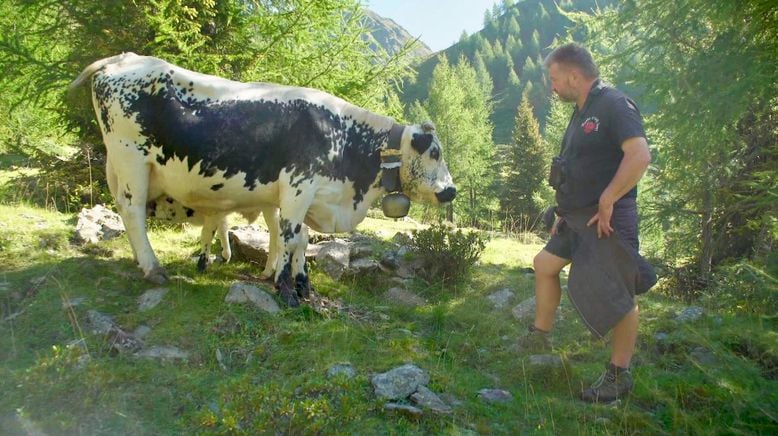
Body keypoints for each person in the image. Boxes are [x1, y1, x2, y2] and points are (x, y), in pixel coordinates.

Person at [519, 43, 652, 403]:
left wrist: (609, 198)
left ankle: (618, 375)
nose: (552, 86)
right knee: (544, 265)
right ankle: (539, 332)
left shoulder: (613, 104)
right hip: (575, 216)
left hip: (606, 217)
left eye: (555, 78)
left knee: (619, 294)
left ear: (574, 76)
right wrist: (560, 210)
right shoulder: (581, 111)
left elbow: (639, 154)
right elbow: (577, 165)